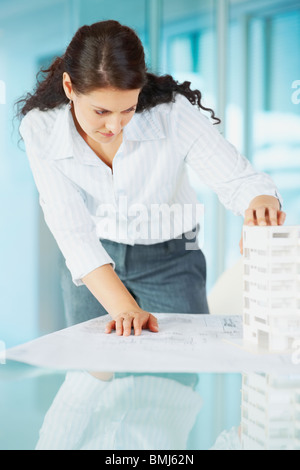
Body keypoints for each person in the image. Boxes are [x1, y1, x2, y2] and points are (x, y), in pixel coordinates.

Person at [16, 20, 286, 336]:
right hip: (93, 260)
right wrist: (122, 306)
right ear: (69, 87)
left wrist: (259, 201)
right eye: (101, 112)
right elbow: (71, 228)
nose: (115, 126)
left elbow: (237, 179)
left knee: (179, 372)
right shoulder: (41, 128)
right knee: (93, 375)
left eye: (127, 109)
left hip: (171, 259)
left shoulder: (171, 114)